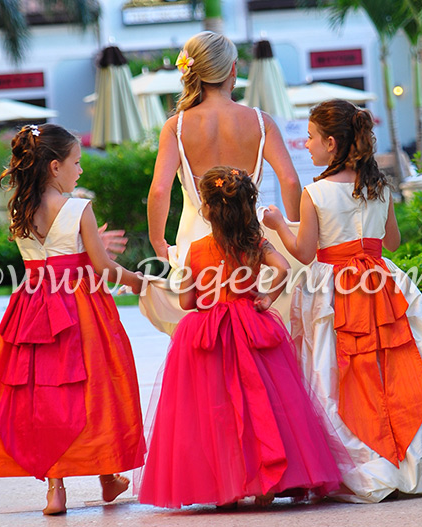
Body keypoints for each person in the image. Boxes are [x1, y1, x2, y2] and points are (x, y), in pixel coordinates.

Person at [263, 100, 422, 503]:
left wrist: (278, 225)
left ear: (331, 143)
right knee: (392, 365)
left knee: (338, 373)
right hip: (380, 283)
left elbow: (303, 252)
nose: (307, 144)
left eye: (312, 137)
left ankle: (361, 465)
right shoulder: (378, 185)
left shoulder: (314, 192)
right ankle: (408, 463)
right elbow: (392, 242)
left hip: (333, 290)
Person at [138, 166, 344, 508]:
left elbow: (188, 301)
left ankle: (224, 488)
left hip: (209, 334)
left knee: (216, 407)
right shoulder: (256, 243)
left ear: (206, 208)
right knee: (261, 402)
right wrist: (266, 297)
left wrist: (206, 295)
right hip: (252, 326)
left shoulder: (198, 249)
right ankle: (266, 482)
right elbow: (284, 268)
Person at [0, 123, 146, 516]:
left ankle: (56, 489)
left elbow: (51, 258)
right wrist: (139, 282)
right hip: (79, 311)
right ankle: (108, 473)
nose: (80, 170)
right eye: (76, 162)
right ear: (54, 166)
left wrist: (87, 246)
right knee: (98, 387)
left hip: (33, 309)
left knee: (45, 396)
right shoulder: (78, 207)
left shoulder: (22, 209)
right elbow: (102, 267)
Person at [141, 31, 301, 335]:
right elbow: (290, 181)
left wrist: (158, 241)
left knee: (202, 337)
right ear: (232, 70)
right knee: (253, 333)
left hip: (196, 243)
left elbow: (160, 190)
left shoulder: (176, 127)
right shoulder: (260, 121)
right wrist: (292, 230)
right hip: (249, 239)